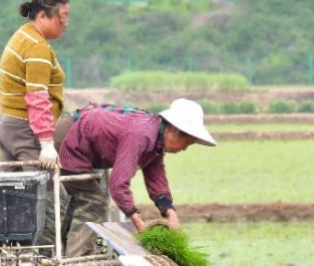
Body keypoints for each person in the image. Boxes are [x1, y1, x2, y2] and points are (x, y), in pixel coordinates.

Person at [55, 98, 216, 255]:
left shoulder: (156, 140)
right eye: (187, 143)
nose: (185, 149)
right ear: (173, 131)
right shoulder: (141, 135)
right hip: (70, 140)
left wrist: (170, 213)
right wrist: (139, 223)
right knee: (94, 201)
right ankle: (76, 261)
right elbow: (118, 183)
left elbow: (156, 177)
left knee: (84, 201)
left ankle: (65, 253)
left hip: (85, 146)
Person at [0, 0, 70, 170]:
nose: (66, 23)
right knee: (50, 192)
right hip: (22, 128)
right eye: (63, 16)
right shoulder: (37, 47)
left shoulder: (24, 35)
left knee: (6, 191)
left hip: (7, 123)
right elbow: (37, 96)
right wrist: (46, 143)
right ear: (43, 16)